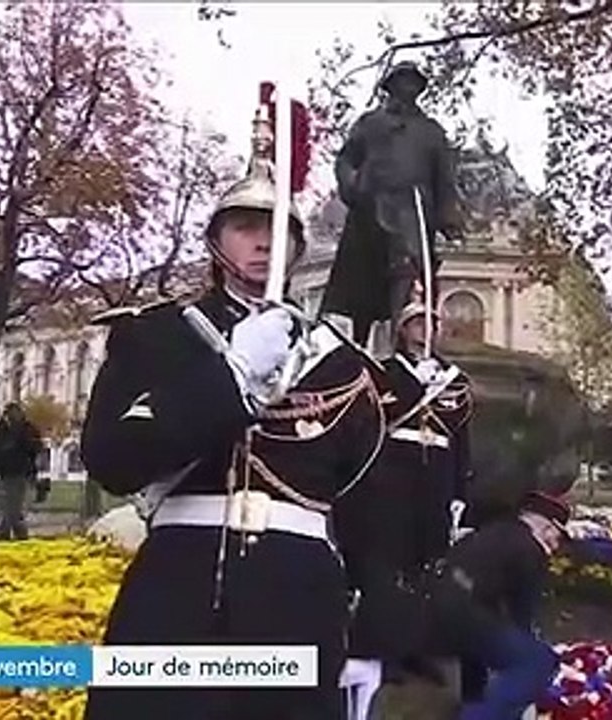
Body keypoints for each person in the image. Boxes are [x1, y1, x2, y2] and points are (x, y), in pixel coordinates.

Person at [80, 85, 385, 720]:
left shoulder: (341, 362)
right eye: (246, 226)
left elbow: (361, 495)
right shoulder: (156, 333)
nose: (263, 243)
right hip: (178, 584)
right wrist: (231, 376)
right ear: (217, 240)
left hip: (300, 590)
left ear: (298, 248)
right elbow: (112, 459)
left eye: (277, 231)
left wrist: (374, 617)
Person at [333, 282, 473, 711]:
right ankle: (384, 651)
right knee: (388, 566)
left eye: (432, 322)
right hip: (393, 476)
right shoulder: (385, 374)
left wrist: (459, 491)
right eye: (416, 322)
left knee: (426, 566)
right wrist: (417, 386)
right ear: (402, 328)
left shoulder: (454, 380)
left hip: (436, 479)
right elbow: (375, 423)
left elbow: (462, 438)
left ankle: (419, 648)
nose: (425, 329)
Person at [323, 61, 462, 347]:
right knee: (363, 280)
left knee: (409, 276)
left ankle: (405, 346)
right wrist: (353, 183)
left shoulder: (431, 132)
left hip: (414, 212)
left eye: (413, 82)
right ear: (391, 86)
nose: (408, 87)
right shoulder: (370, 123)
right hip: (371, 208)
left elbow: (444, 176)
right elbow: (346, 159)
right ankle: (358, 345)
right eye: (402, 81)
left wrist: (448, 216)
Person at [428, 487, 565, 720]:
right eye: (558, 536)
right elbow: (522, 615)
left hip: (433, 610)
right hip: (462, 616)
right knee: (537, 660)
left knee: (482, 632)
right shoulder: (530, 549)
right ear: (545, 528)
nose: (557, 544)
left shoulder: (490, 532)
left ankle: (473, 699)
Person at [0, 403, 44, 540]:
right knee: (12, 503)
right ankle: (15, 532)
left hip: (21, 470)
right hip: (7, 471)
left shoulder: (26, 428)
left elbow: (35, 446)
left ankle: (8, 532)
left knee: (13, 502)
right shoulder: (1, 429)